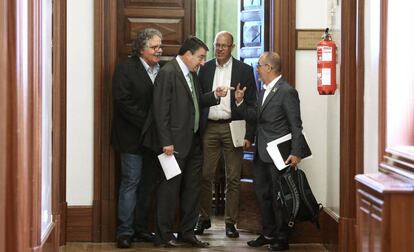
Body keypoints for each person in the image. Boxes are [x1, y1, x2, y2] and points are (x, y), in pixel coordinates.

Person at [152, 36, 230, 248]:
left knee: (192, 189)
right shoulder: (168, 73)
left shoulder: (191, 74)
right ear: (187, 54)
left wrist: (214, 95)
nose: (203, 62)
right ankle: (164, 235)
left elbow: (195, 103)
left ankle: (187, 233)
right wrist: (166, 141)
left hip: (194, 142)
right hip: (174, 145)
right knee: (169, 190)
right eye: (201, 57)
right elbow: (160, 111)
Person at [195, 31, 257, 238]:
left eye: (224, 45)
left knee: (233, 178)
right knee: (205, 175)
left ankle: (231, 222)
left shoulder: (245, 70)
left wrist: (250, 134)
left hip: (235, 126)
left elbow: (252, 105)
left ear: (232, 47)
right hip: (210, 127)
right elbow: (196, 100)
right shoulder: (204, 69)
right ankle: (203, 219)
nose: (220, 49)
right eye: (217, 45)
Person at [246, 52, 307, 251]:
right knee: (263, 194)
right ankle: (268, 233)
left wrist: (296, 153)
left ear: (269, 68)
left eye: (259, 65)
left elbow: (296, 125)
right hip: (261, 152)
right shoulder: (263, 91)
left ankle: (282, 238)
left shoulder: (287, 91)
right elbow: (257, 118)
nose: (257, 69)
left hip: (279, 155)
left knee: (280, 196)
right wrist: (239, 103)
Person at [111, 28, 163, 249]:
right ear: (142, 49)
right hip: (131, 137)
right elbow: (123, 102)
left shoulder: (163, 70)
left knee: (148, 185)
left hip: (154, 141)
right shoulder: (125, 68)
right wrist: (149, 123)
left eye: (160, 46)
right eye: (154, 47)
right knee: (131, 182)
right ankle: (125, 231)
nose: (159, 50)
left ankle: (141, 228)